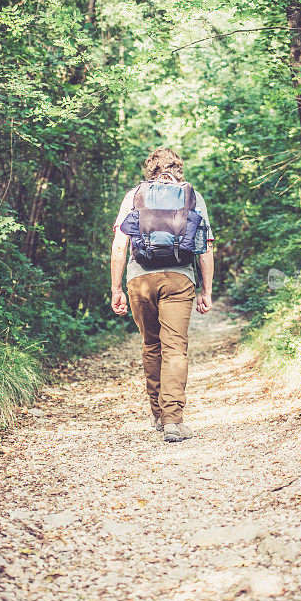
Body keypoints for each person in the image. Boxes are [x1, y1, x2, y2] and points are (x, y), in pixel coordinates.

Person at [110, 147, 214, 443]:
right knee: (175, 349)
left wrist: (117, 288)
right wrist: (206, 289)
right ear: (178, 168)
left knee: (151, 344)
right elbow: (205, 246)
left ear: (149, 169)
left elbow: (120, 244)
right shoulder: (192, 196)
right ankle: (173, 421)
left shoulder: (134, 195)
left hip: (139, 278)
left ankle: (157, 414)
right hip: (180, 278)